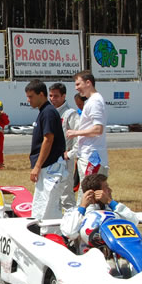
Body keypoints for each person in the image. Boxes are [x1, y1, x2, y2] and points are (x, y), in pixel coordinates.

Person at [60, 173, 138, 251]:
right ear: (96, 193)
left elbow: (134, 221)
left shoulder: (114, 209)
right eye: (106, 188)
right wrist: (82, 207)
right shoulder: (76, 213)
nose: (110, 190)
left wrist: (110, 202)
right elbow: (70, 233)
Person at [27, 80, 67, 230]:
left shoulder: (49, 112)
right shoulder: (43, 112)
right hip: (47, 168)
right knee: (43, 208)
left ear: (41, 94)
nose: (28, 100)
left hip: (51, 168)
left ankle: (49, 236)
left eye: (31, 96)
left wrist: (37, 166)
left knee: (46, 210)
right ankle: (49, 234)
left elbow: (48, 139)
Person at [67, 70, 108, 186]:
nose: (76, 88)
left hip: (92, 157)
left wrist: (76, 133)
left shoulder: (95, 101)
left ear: (88, 83)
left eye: (78, 84)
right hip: (90, 155)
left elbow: (98, 130)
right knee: (91, 191)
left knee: (89, 191)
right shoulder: (93, 100)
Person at [49, 83, 80, 211]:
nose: (53, 99)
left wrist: (71, 154)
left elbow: (79, 135)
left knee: (66, 194)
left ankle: (71, 219)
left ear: (64, 96)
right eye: (51, 96)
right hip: (50, 159)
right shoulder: (49, 112)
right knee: (51, 193)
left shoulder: (70, 114)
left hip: (64, 159)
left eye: (56, 96)